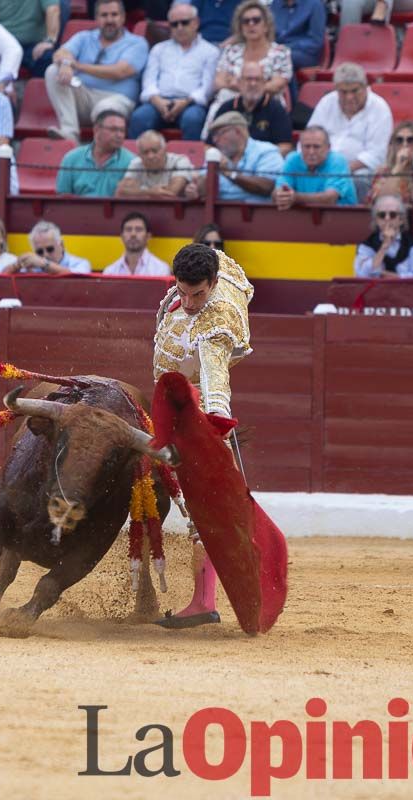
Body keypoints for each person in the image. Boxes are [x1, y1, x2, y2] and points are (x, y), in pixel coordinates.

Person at [152, 242, 255, 629]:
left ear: (213, 284)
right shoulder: (210, 270)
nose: (191, 302)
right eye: (183, 291)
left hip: (194, 415)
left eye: (199, 294)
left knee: (204, 510)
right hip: (173, 397)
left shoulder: (216, 325)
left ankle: (204, 601)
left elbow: (215, 382)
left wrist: (216, 428)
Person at [44, 0, 147, 144]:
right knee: (53, 71)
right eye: (104, 15)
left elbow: (121, 71)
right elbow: (60, 53)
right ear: (97, 18)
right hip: (84, 96)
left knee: (103, 108)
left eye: (114, 15)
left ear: (123, 17)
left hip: (117, 99)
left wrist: (78, 66)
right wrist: (66, 63)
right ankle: (69, 134)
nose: (109, 20)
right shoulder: (84, 37)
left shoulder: (137, 43)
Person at [129, 2, 218, 142]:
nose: (180, 28)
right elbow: (148, 82)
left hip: (191, 104)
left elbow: (207, 89)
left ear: (196, 23)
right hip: (159, 102)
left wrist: (185, 102)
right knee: (140, 117)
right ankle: (135, 162)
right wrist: (157, 101)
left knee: (192, 119)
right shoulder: (158, 49)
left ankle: (192, 163)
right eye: (174, 24)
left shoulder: (210, 52)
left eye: (184, 23)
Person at [306, 63, 393, 203]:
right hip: (321, 166)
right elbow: (309, 137)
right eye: (343, 92)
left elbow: (376, 154)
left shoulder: (380, 108)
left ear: (365, 87)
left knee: (359, 180)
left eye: (354, 91)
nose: (349, 97)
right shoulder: (327, 102)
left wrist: (338, 170)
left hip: (358, 173)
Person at [204, 1, 293, 137]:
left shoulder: (281, 52)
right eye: (245, 21)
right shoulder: (230, 51)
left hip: (267, 103)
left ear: (266, 26)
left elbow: (277, 85)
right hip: (230, 102)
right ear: (240, 27)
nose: (251, 24)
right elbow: (218, 82)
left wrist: (238, 83)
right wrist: (256, 84)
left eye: (256, 20)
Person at [210, 60, 293, 156]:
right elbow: (208, 145)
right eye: (248, 79)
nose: (253, 84)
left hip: (263, 165)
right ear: (239, 82)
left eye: (257, 79)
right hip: (228, 165)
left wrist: (255, 159)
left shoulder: (277, 110)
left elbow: (285, 147)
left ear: (264, 83)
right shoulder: (226, 108)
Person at [203, 109, 285, 202]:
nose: (215, 140)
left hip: (257, 214)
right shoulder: (215, 155)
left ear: (238, 132)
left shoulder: (266, 151)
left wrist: (229, 173)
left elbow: (268, 186)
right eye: (213, 135)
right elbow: (202, 183)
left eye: (219, 134)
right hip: (218, 213)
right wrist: (194, 187)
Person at [272, 125, 357, 209]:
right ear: (300, 147)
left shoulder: (338, 160)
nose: (311, 152)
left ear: (328, 148)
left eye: (316, 147)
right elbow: (277, 192)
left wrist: (294, 198)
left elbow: (330, 199)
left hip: (340, 218)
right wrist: (280, 195)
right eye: (307, 146)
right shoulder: (292, 159)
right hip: (302, 217)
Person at [55, 108, 134, 197]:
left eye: (122, 130)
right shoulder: (71, 159)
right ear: (96, 130)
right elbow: (62, 198)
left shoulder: (132, 162)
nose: (119, 135)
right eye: (113, 129)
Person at [0, 0, 62, 79]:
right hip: (3, 45)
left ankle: (37, 91)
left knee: (47, 56)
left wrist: (49, 41)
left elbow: (53, 10)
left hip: (33, 46)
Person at [353, 193, 413, 279]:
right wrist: (384, 247)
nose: (387, 218)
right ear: (376, 220)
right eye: (382, 215)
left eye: (393, 215)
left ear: (401, 220)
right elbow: (362, 274)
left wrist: (392, 277)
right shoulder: (366, 246)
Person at [115, 129, 197, 199]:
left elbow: (171, 193)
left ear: (164, 150)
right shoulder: (136, 163)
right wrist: (151, 192)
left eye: (155, 151)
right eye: (145, 152)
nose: (150, 156)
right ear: (139, 154)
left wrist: (138, 192)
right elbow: (120, 192)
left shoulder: (180, 161)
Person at [102, 212, 172, 276]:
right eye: (128, 229)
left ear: (148, 236)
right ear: (122, 236)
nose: (133, 234)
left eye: (138, 229)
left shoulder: (161, 270)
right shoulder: (109, 272)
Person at [13, 219, 92, 275]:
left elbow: (76, 277)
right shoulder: (33, 265)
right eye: (39, 252)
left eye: (50, 249)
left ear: (61, 245)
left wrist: (44, 264)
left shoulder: (80, 263)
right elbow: (2, 276)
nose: (45, 254)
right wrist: (18, 264)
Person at [268, 0, 325, 71]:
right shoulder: (276, 4)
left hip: (305, 53)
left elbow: (316, 42)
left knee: (280, 57)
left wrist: (288, 47)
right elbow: (269, 33)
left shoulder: (314, 4)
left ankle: (283, 82)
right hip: (277, 49)